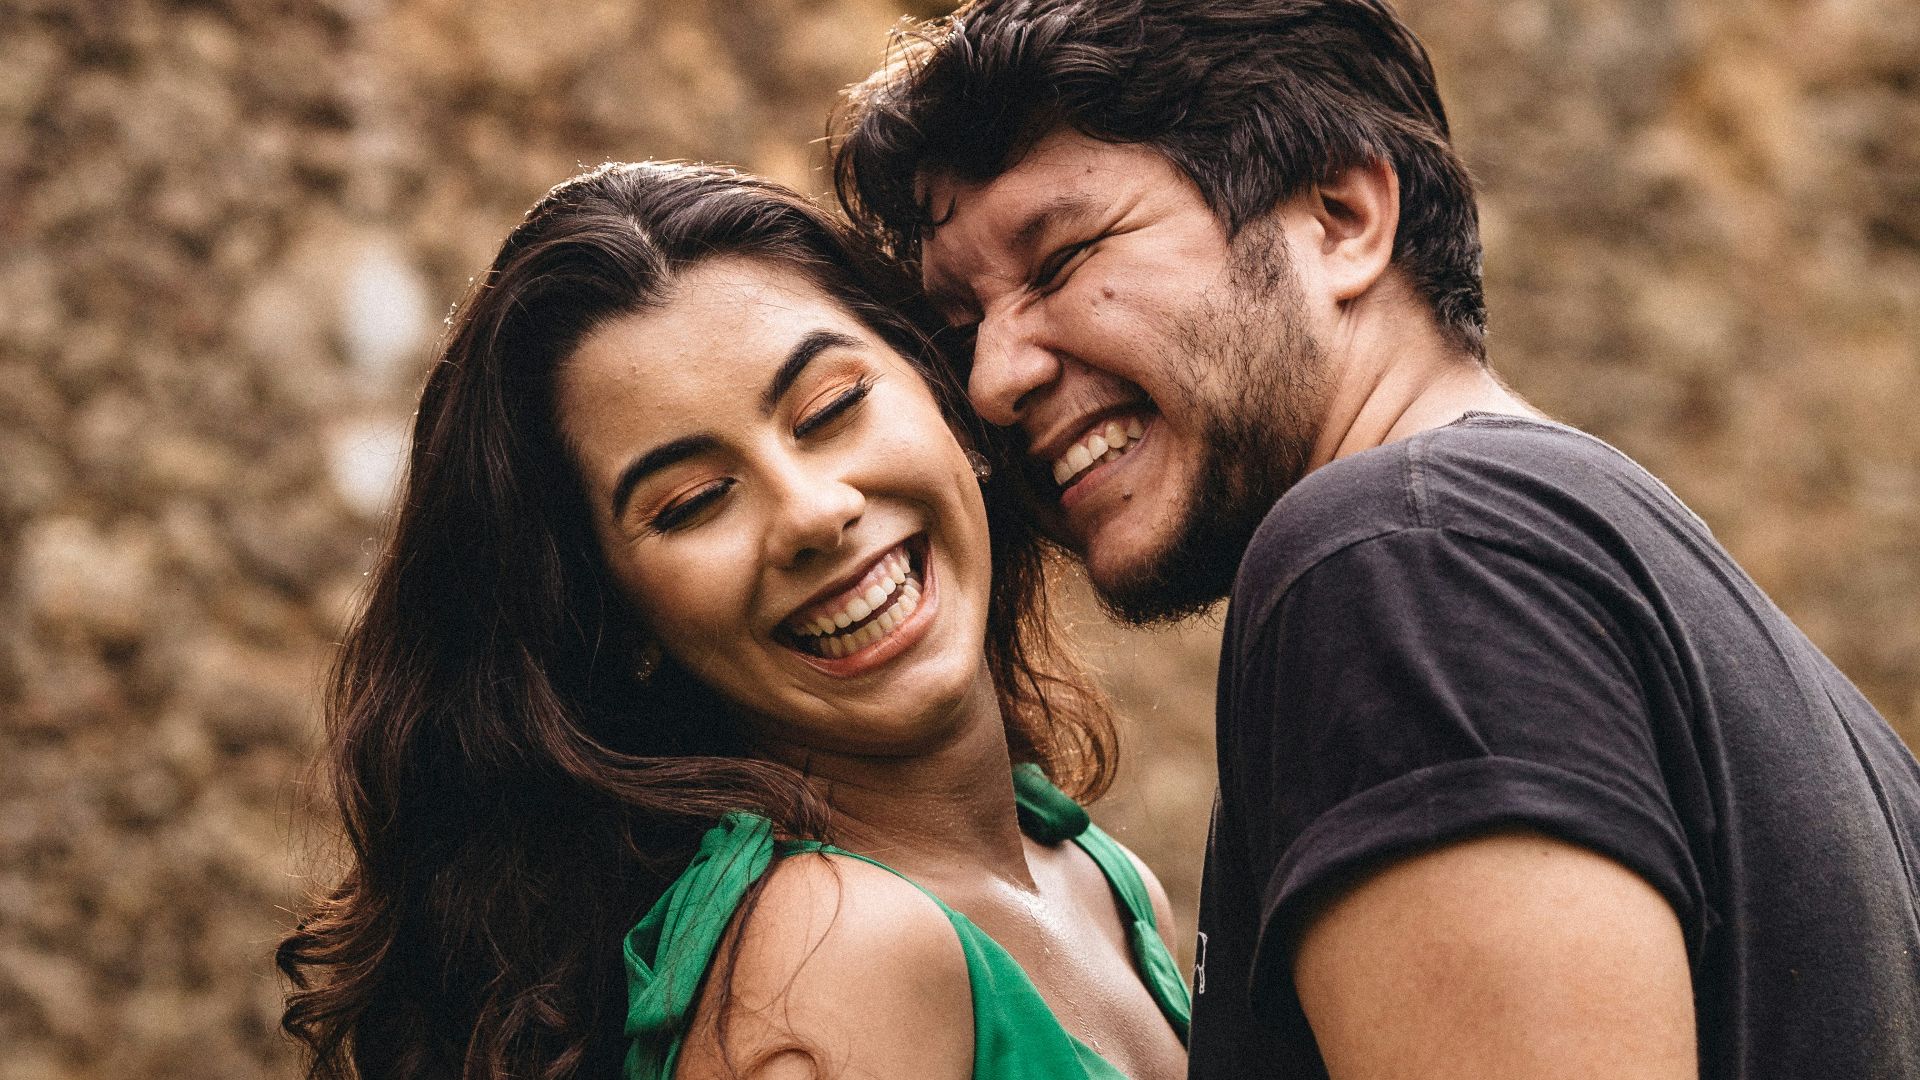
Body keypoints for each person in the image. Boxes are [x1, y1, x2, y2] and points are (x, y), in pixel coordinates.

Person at [831, 1, 1920, 1078]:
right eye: (964, 327)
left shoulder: (1396, 563)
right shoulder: (1701, 628)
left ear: (1344, 215)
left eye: (1061, 258)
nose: (994, 379)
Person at [276, 161, 1191, 1080]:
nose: (810, 512)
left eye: (831, 407)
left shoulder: (1104, 883)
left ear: (944, 396)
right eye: (691, 502)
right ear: (617, 619)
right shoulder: (833, 954)